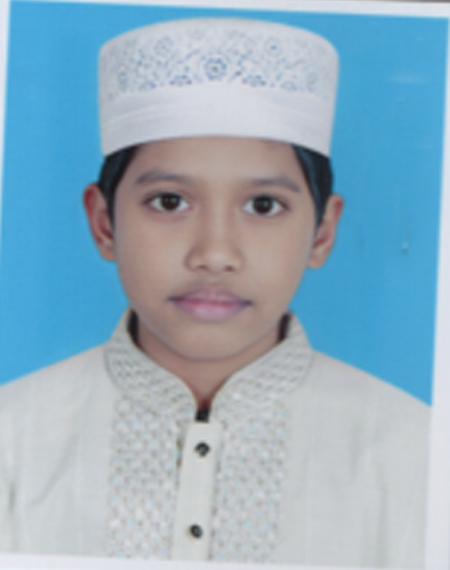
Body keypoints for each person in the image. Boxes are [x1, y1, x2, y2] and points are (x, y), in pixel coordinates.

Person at [0, 17, 429, 567]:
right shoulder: (14, 438)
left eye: (264, 206)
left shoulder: (414, 453)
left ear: (323, 232)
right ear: (104, 223)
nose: (215, 253)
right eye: (170, 202)